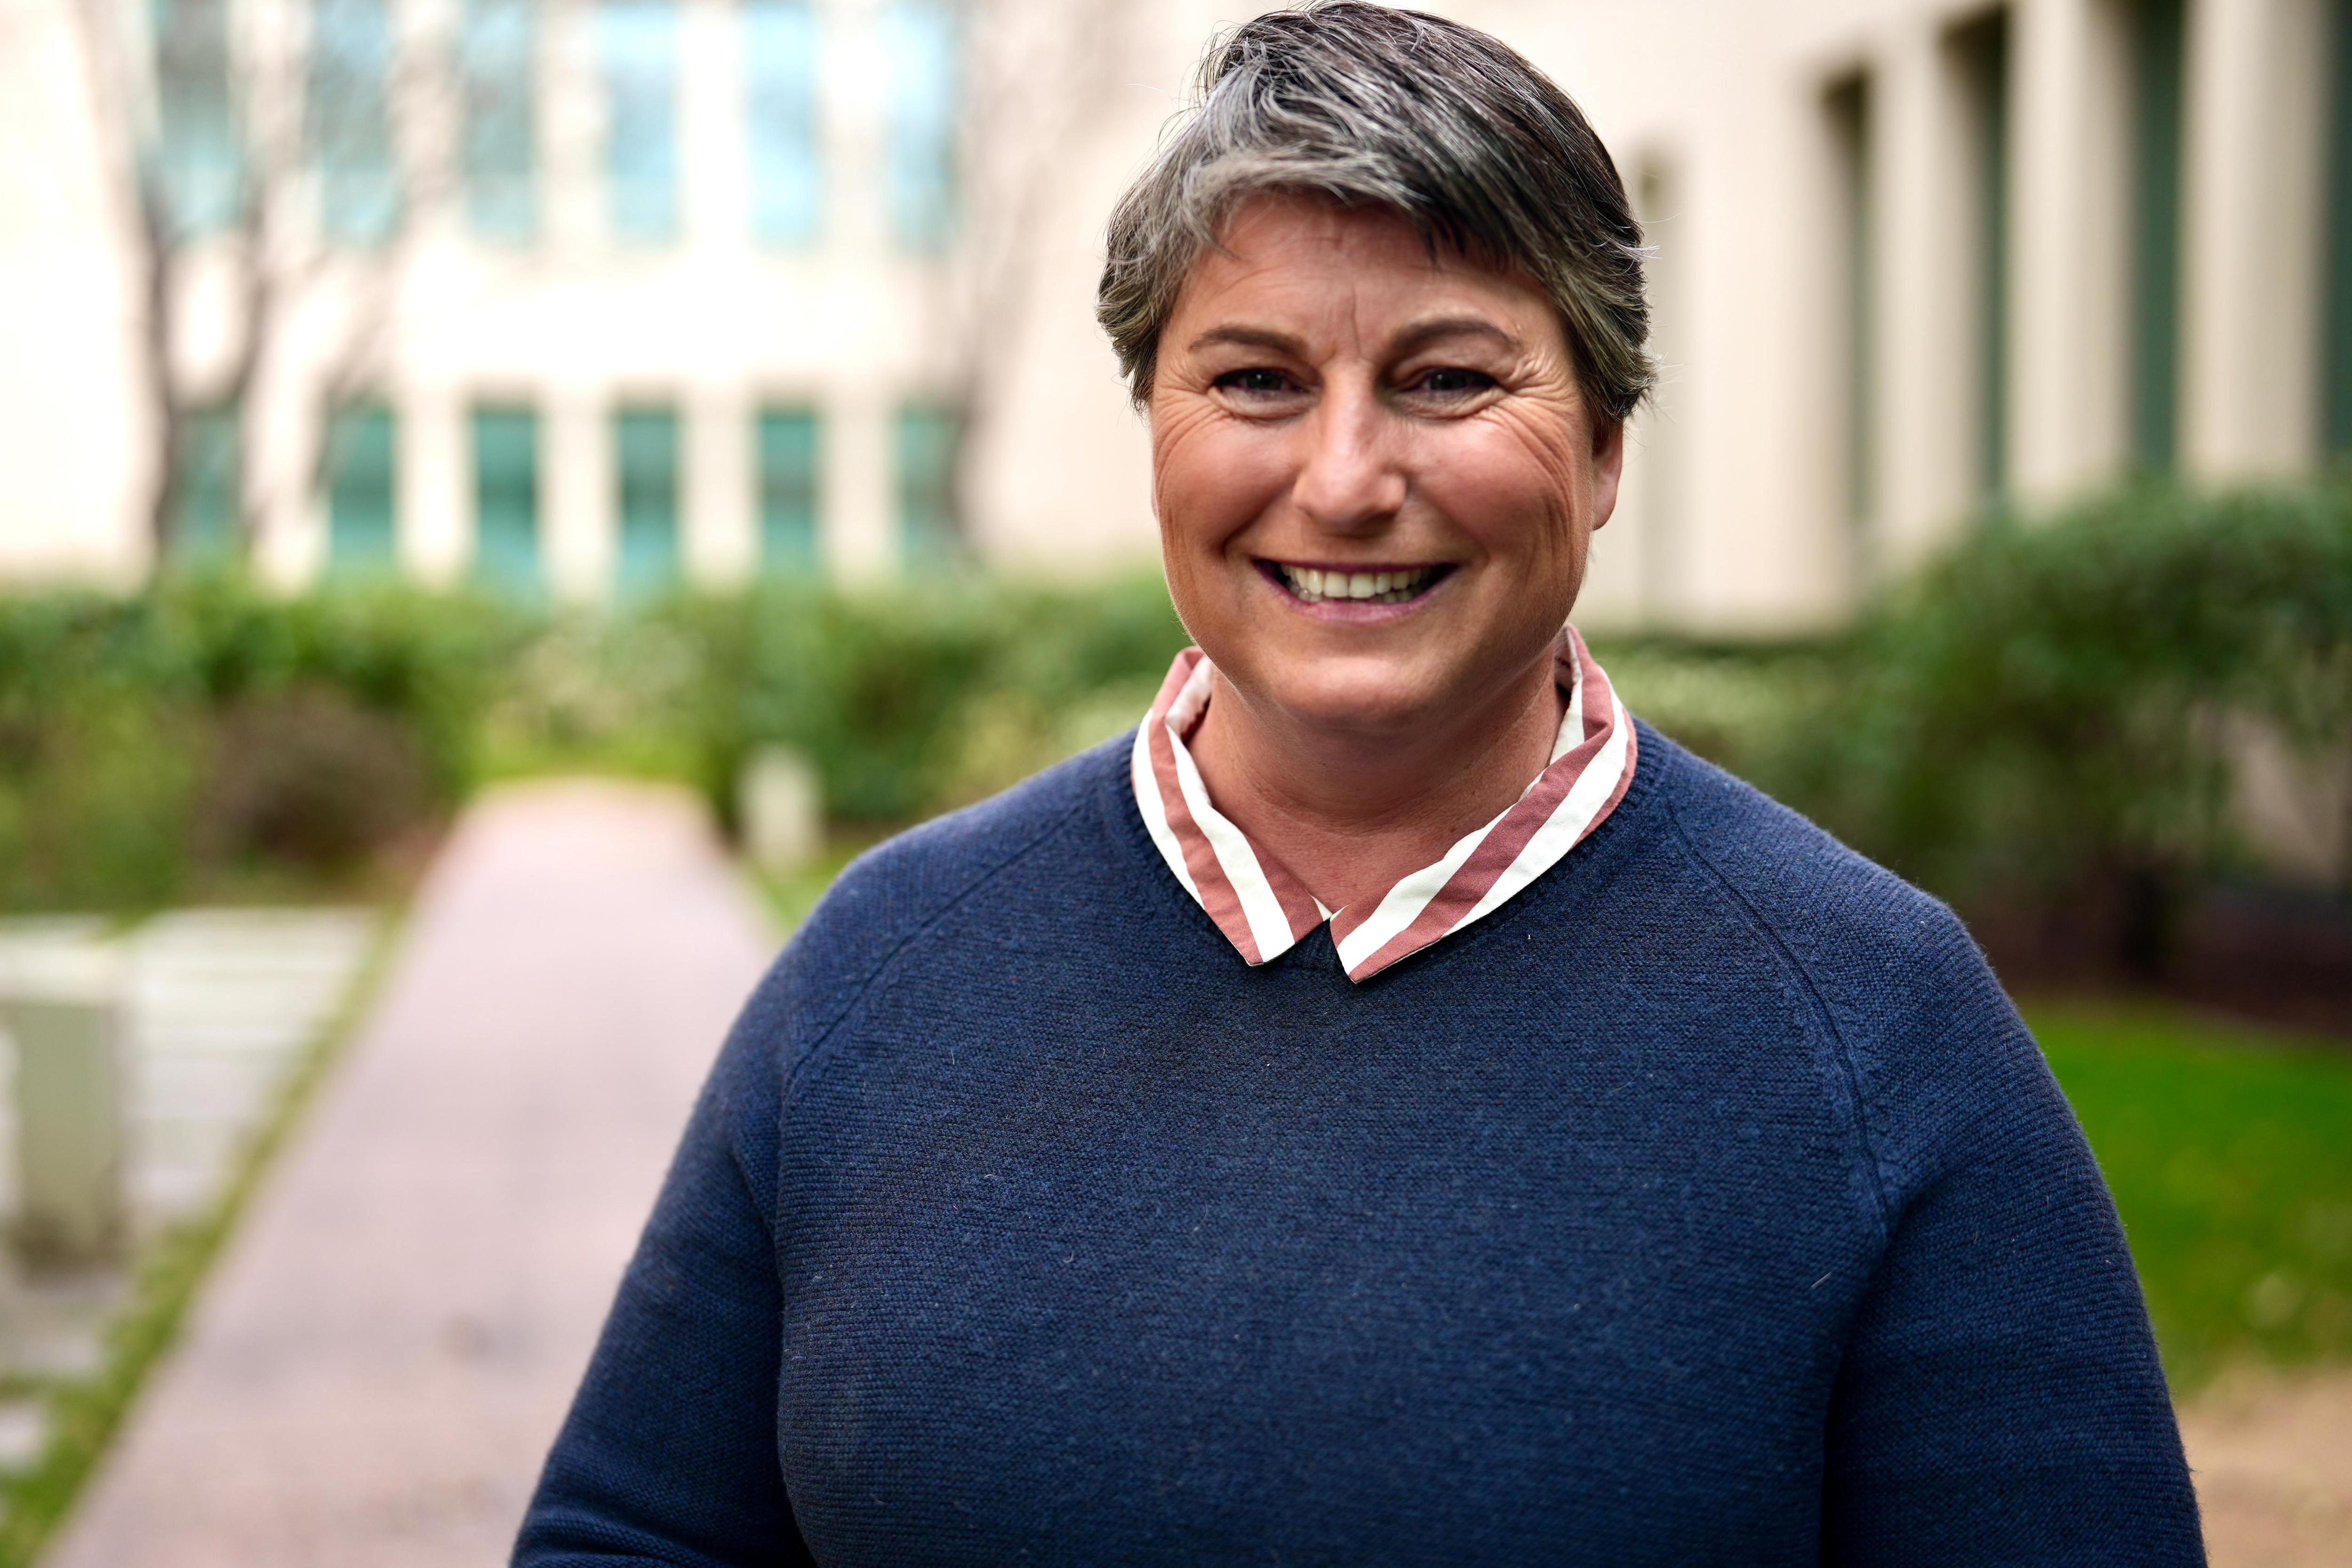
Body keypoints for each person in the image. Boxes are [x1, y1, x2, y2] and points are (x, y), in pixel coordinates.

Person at [514, 6, 2202, 1562]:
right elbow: (630, 1542)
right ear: (1156, 427)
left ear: (1606, 444)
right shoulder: (883, 972)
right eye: (1254, 380)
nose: (1343, 479)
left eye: (1448, 379)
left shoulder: (1874, 1028)